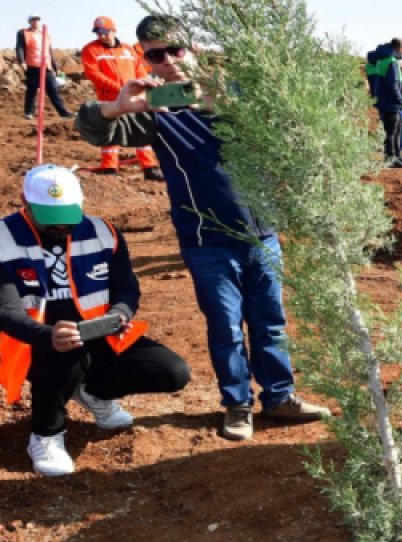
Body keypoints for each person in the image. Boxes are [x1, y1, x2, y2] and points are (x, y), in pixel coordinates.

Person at [75, 14, 331, 442]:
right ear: (146, 60)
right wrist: (118, 106)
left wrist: (229, 104)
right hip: (207, 242)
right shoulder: (156, 111)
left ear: (192, 48)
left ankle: (279, 397)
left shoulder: (238, 95)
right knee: (226, 327)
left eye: (175, 49)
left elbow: (293, 123)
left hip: (261, 234)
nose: (169, 61)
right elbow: (92, 129)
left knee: (271, 321)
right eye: (156, 55)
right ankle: (237, 405)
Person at [0, 165, 190, 476]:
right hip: (30, 342)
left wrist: (120, 314)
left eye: (67, 215)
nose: (60, 224)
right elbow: (5, 312)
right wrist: (47, 335)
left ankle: (94, 391)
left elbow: (127, 289)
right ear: (24, 202)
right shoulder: (3, 239)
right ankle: (46, 434)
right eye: (49, 217)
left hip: (98, 332)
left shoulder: (105, 233)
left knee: (172, 372)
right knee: (65, 352)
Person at [81, 17, 165, 181]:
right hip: (109, 99)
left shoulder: (127, 49)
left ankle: (149, 167)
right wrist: (120, 89)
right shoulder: (91, 50)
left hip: (134, 97)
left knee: (141, 130)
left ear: (114, 31)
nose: (101, 35)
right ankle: (109, 167)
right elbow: (94, 74)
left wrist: (142, 84)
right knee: (111, 131)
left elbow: (139, 69)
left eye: (105, 32)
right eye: (98, 32)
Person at [16, 15, 72, 120]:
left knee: (53, 90)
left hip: (46, 66)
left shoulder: (45, 35)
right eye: (33, 20)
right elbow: (20, 48)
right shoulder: (23, 33)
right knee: (32, 90)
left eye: (37, 20)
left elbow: (50, 52)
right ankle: (29, 112)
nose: (36, 22)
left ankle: (63, 112)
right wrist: (22, 61)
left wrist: (55, 67)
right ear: (29, 22)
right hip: (32, 65)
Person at [366, 38, 402, 168]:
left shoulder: (381, 60)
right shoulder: (391, 61)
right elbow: (392, 85)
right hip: (390, 102)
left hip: (383, 100)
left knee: (395, 129)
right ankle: (390, 159)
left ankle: (395, 156)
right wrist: (400, 100)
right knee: (392, 131)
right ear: (399, 48)